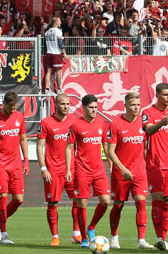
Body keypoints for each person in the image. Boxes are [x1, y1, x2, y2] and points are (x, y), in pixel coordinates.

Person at [106, 92, 154, 250]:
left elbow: (146, 147)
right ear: (125, 105)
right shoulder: (116, 124)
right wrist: (122, 168)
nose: (136, 108)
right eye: (133, 105)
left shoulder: (143, 124)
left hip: (139, 171)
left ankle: (141, 240)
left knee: (141, 202)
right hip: (121, 172)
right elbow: (111, 151)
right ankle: (114, 237)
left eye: (138, 105)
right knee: (118, 204)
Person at [0, 91, 29, 245]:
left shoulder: (19, 117)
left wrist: (26, 161)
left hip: (16, 164)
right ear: (4, 104)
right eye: (10, 108)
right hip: (0, 163)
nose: (13, 111)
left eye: (15, 108)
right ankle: (4, 233)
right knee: (2, 196)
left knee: (19, 199)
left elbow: (23, 139)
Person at [66, 94, 112, 248]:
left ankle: (91, 227)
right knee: (82, 203)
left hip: (99, 169)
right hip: (81, 170)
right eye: (91, 108)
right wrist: (68, 169)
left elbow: (106, 146)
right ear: (83, 108)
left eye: (96, 108)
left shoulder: (101, 124)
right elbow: (69, 148)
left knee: (105, 201)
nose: (94, 110)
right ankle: (85, 239)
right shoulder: (75, 125)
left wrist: (111, 163)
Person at [142, 82, 168, 251]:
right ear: (157, 95)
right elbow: (149, 130)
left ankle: (163, 239)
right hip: (155, 163)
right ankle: (159, 237)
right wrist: (161, 123)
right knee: (158, 198)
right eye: (165, 95)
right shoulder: (148, 112)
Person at [38, 93, 79, 246]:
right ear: (56, 105)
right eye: (62, 104)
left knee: (78, 200)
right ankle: (55, 236)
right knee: (53, 203)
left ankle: (77, 233)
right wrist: (44, 168)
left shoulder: (74, 122)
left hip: (71, 169)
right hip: (53, 170)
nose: (66, 106)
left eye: (68, 104)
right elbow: (39, 146)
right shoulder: (46, 122)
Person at [43, 17, 66, 93]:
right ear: (56, 23)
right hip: (56, 53)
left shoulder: (47, 32)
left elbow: (45, 44)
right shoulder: (58, 31)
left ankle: (47, 88)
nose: (61, 23)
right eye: (59, 22)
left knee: (48, 71)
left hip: (49, 53)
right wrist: (64, 53)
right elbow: (60, 43)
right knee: (58, 72)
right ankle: (59, 89)